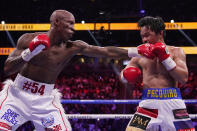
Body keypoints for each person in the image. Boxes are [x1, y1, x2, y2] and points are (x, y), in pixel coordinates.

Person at [0, 10, 132, 131]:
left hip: (44, 102)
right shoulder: (28, 39)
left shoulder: (73, 47)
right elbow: (8, 68)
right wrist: (29, 53)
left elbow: (106, 51)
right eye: (70, 24)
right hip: (16, 97)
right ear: (56, 22)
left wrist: (136, 52)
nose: (73, 29)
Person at [121, 16, 195, 131]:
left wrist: (165, 58)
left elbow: (183, 79)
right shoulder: (139, 53)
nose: (144, 40)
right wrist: (127, 74)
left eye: (147, 35)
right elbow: (123, 75)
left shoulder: (176, 51)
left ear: (160, 33)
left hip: (174, 103)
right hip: (148, 105)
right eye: (142, 36)